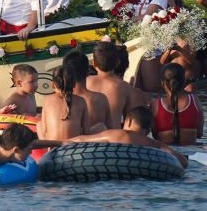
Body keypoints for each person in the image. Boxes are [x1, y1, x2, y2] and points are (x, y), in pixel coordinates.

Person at [50, 106, 188, 169]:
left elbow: (80, 140)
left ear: (128, 121)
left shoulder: (118, 134)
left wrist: (48, 143)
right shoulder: (155, 144)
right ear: (148, 129)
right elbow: (183, 162)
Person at [151, 63, 203, 146]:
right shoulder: (194, 100)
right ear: (184, 80)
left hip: (166, 154)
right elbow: (199, 134)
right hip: (188, 152)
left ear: (162, 82)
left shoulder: (155, 104)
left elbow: (155, 136)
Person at [87, 42, 133, 130]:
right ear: (118, 63)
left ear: (94, 63)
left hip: (89, 138)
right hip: (113, 138)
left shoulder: (85, 82)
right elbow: (129, 119)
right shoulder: (124, 87)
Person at [37, 64, 88, 140]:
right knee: (100, 126)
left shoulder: (47, 99)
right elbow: (86, 131)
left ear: (53, 85)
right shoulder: (81, 101)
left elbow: (44, 130)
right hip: (74, 146)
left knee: (39, 124)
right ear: (74, 84)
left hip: (53, 147)